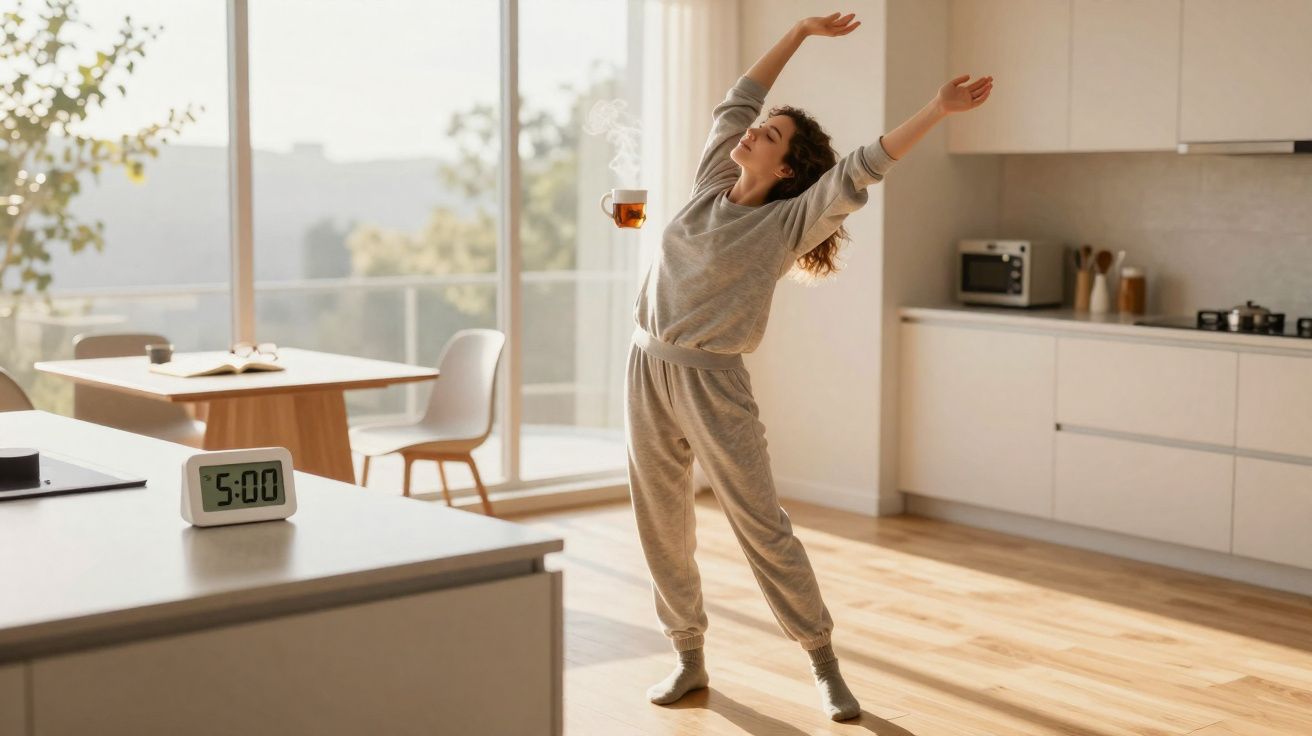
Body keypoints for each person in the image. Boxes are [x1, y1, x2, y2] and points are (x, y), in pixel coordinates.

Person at [624, 11, 993, 722]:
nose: (752, 131)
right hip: (645, 370)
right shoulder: (710, 181)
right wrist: (799, 32)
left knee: (761, 525)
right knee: (661, 521)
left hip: (712, 382)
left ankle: (822, 659)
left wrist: (938, 110)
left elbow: (866, 164)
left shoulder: (789, 222)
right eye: (758, 126)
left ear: (786, 168)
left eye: (770, 134)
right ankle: (688, 655)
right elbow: (742, 93)